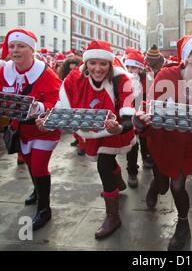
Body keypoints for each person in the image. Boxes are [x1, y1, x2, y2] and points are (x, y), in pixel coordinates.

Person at [134, 35, 192, 251]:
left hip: (187, 145)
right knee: (163, 183)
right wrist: (141, 117)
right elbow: (149, 107)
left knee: (178, 185)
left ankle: (183, 225)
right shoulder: (167, 75)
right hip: (162, 142)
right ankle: (155, 188)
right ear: (188, 57)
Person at [48, 40, 136, 239]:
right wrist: (46, 119)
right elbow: (61, 106)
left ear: (110, 64)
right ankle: (117, 180)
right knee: (108, 163)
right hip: (91, 130)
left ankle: (113, 216)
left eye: (103, 64)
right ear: (86, 63)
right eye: (92, 63)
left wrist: (119, 127)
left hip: (115, 130)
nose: (97, 68)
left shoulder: (122, 80)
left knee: (103, 166)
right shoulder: (74, 78)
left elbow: (129, 117)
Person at [0, 29, 62, 231]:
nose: (15, 50)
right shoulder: (5, 70)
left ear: (31, 49)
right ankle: (38, 191)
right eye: (12, 46)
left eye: (21, 46)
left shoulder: (45, 72)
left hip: (43, 128)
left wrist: (38, 107)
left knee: (38, 165)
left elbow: (57, 100)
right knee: (30, 163)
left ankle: (44, 209)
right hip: (20, 129)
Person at [123, 49, 148, 188]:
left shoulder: (145, 80)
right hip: (127, 115)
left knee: (144, 138)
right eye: (128, 67)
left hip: (141, 114)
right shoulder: (121, 79)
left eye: (133, 67)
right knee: (132, 144)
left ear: (140, 68)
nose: (130, 70)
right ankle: (132, 172)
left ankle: (146, 158)